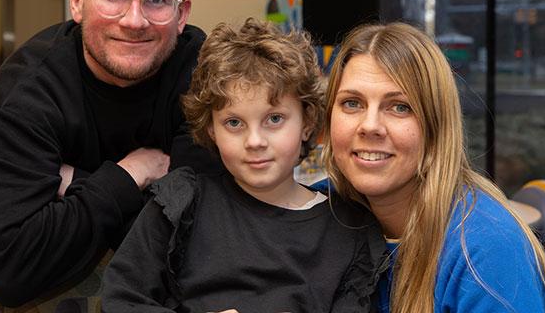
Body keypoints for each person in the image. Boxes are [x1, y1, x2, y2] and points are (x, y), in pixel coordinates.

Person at [0, 0, 221, 307]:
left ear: (181, 14)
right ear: (78, 0)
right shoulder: (19, 99)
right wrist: (130, 173)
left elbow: (204, 238)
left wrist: (78, 182)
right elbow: (12, 272)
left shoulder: (203, 73)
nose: (134, 20)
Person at [100, 18, 386, 312]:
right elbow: (120, 300)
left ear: (307, 122)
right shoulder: (182, 204)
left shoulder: (349, 230)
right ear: (211, 129)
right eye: (234, 123)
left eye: (274, 119)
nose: (255, 141)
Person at [322, 22, 545, 312]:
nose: (370, 126)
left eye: (399, 107)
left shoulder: (486, 252)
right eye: (352, 103)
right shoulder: (319, 210)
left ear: (436, 127)